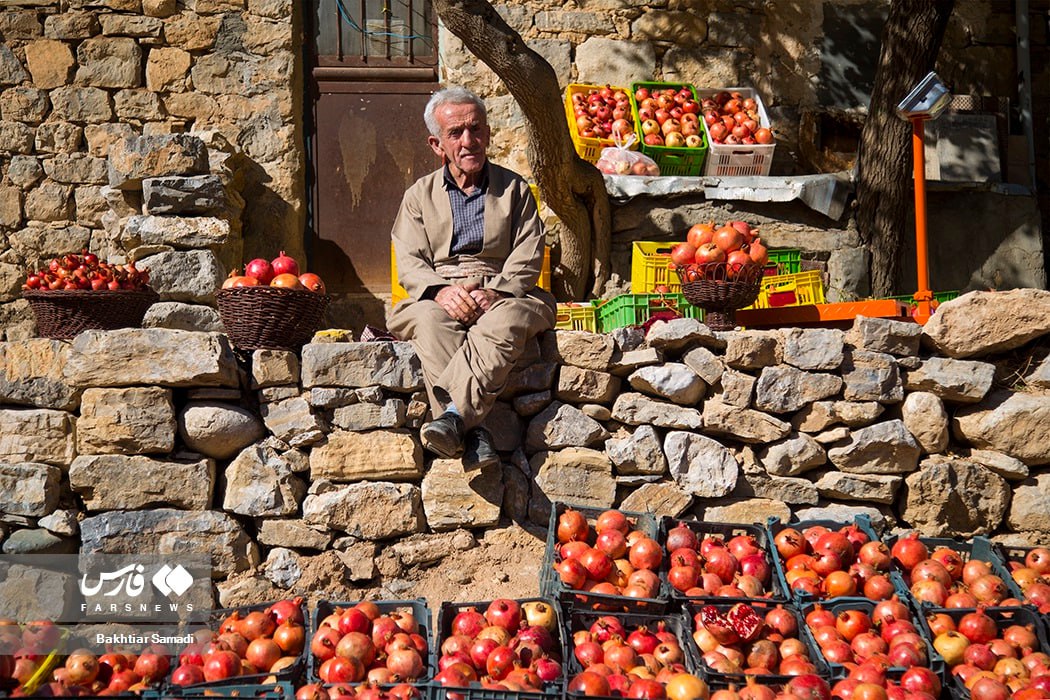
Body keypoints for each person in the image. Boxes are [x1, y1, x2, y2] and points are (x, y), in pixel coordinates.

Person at [387, 86, 556, 469]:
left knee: (507, 319)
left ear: (488, 133)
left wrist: (495, 292)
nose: (469, 141)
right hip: (438, 291)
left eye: (476, 129)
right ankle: (471, 428)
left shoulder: (515, 189)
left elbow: (529, 253)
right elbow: (409, 258)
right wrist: (440, 291)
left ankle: (453, 420)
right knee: (429, 319)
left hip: (504, 291)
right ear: (437, 144)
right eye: (456, 133)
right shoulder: (418, 195)